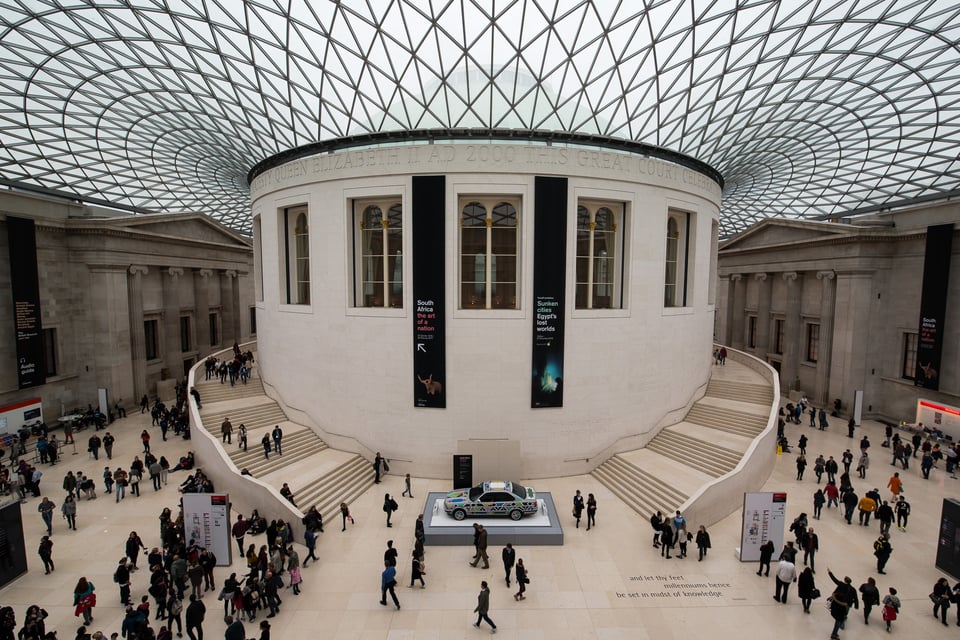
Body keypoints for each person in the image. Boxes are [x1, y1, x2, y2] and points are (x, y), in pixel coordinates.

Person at [827, 570, 858, 639]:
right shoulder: (853, 589)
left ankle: (838, 627)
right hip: (846, 605)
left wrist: (830, 573)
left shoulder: (841, 585)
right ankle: (840, 624)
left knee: (839, 618)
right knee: (843, 615)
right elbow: (855, 597)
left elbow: (834, 580)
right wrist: (856, 605)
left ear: (845, 580)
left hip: (838, 604)